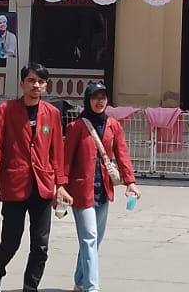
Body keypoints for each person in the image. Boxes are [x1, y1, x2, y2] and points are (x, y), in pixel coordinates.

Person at [0, 64, 69, 292]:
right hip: (14, 185)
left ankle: (30, 288)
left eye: (40, 81)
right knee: (11, 242)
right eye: (31, 80)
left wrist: (61, 185)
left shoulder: (52, 113)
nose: (36, 85)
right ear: (22, 83)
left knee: (40, 246)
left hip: (42, 186)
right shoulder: (6, 110)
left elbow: (57, 151)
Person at [60, 82, 138, 292]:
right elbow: (65, 160)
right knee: (89, 238)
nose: (100, 101)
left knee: (95, 240)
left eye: (103, 97)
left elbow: (122, 154)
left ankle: (79, 279)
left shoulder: (113, 125)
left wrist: (130, 182)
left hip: (103, 190)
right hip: (80, 192)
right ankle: (91, 288)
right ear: (88, 100)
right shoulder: (76, 127)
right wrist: (61, 186)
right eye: (95, 97)